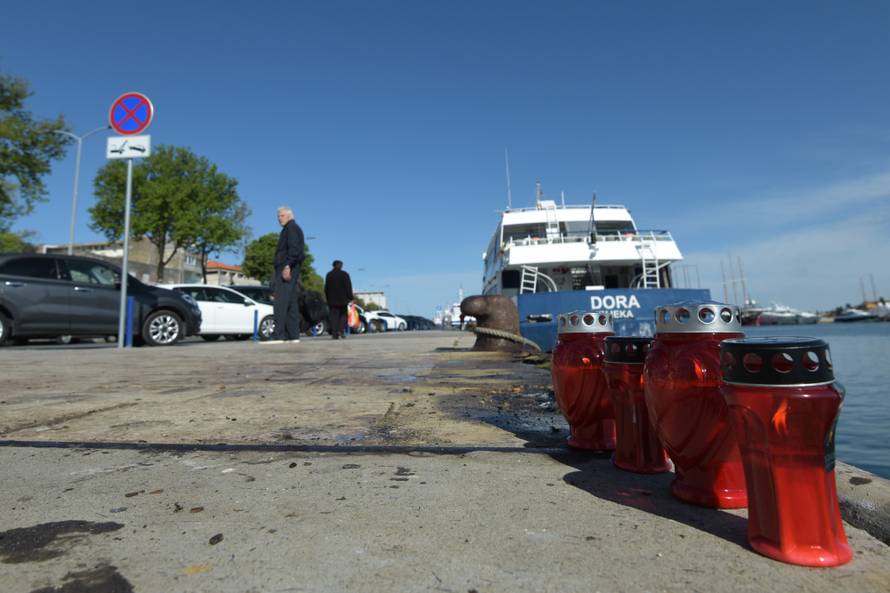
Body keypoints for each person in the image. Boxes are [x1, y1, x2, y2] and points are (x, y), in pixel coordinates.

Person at [266, 206, 304, 344]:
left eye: (281, 216)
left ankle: (279, 335)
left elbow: (294, 249)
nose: (278, 218)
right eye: (278, 216)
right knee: (291, 302)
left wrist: (287, 265)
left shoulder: (291, 228)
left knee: (281, 301)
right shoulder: (290, 229)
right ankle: (293, 335)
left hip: (287, 267)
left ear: (289, 215)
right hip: (290, 266)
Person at [324, 260, 354, 340]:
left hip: (332, 300)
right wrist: (350, 297)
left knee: (333, 317)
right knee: (343, 316)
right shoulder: (344, 274)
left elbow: (326, 288)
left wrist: (327, 298)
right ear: (340, 266)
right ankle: (341, 330)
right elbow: (348, 287)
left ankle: (334, 334)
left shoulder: (329, 275)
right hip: (343, 300)